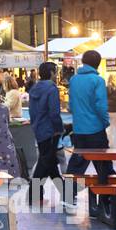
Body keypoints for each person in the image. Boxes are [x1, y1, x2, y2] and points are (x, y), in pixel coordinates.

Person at [64, 51, 113, 205]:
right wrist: (105, 122)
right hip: (96, 128)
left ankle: (68, 196)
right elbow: (100, 105)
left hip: (79, 129)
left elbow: (71, 105)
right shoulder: (97, 80)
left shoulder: (74, 80)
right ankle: (107, 198)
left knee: (77, 162)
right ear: (98, 63)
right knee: (103, 163)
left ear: (83, 61)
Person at [28, 61, 65, 206]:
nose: (56, 74)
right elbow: (54, 112)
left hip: (38, 129)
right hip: (50, 131)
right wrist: (60, 128)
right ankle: (33, 194)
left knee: (49, 161)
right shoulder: (51, 88)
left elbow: (31, 111)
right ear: (51, 73)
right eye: (55, 71)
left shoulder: (34, 88)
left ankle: (64, 193)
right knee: (46, 162)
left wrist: (35, 125)